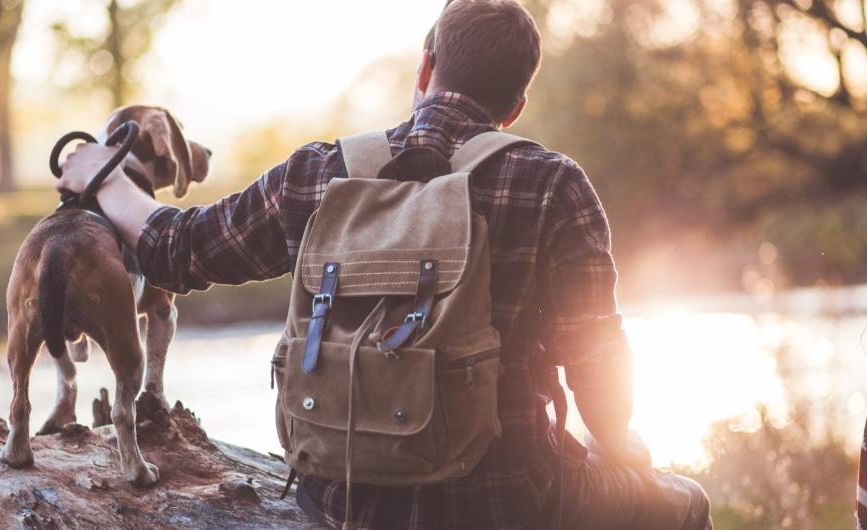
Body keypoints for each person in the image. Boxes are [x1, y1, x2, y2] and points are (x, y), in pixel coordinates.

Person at [57, 1, 712, 528]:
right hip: (510, 504)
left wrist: (104, 176)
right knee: (686, 504)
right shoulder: (551, 184)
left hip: (340, 500)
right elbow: (596, 365)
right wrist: (626, 455)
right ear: (514, 108)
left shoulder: (319, 173)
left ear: (425, 69)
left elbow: (179, 250)